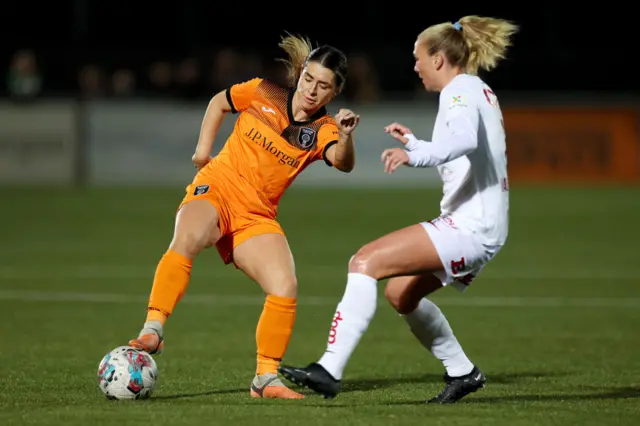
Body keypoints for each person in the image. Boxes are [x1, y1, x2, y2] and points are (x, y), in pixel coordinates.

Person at [278, 16, 518, 404]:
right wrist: (421, 142)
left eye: (418, 57)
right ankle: (463, 372)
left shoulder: (458, 91)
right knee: (401, 294)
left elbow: (463, 139)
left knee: (364, 262)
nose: (415, 66)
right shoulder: (474, 90)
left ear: (439, 59)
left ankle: (329, 369)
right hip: (482, 225)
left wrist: (416, 154)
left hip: (472, 227)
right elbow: (466, 147)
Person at [127, 34, 360, 399]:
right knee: (188, 238)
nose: (313, 90)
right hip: (217, 186)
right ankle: (153, 328)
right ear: (300, 75)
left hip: (256, 213)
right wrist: (203, 153)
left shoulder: (324, 129)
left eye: (324, 86)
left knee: (285, 286)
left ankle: (265, 379)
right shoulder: (262, 91)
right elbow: (219, 102)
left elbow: (342, 163)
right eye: (309, 79)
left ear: (335, 92)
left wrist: (346, 137)